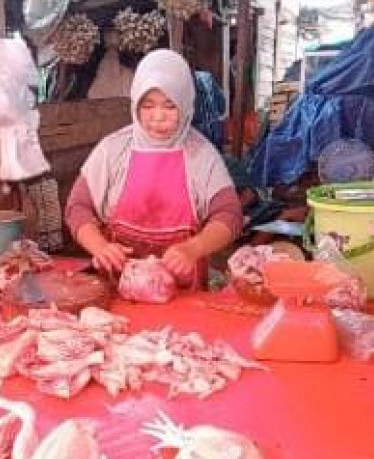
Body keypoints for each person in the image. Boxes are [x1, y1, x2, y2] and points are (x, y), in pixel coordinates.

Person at [64, 49, 243, 289]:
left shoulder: (202, 155)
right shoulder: (112, 149)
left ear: (186, 104)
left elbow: (229, 215)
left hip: (183, 293)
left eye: (170, 106)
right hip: (119, 288)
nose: (157, 117)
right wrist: (100, 247)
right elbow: (78, 207)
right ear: (135, 104)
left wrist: (193, 249)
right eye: (147, 106)